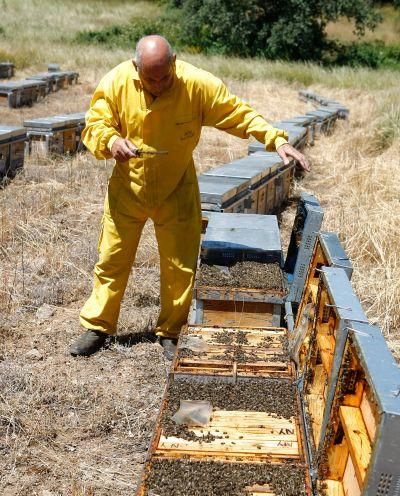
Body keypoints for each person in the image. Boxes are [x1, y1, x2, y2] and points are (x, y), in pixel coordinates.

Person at [70, 35, 310, 359]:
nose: (157, 85)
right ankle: (98, 326)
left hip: (177, 187)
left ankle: (170, 331)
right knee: (111, 258)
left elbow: (238, 112)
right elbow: (94, 124)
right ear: (134, 67)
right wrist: (111, 140)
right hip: (128, 187)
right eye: (149, 79)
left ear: (175, 62)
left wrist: (275, 139)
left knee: (179, 265)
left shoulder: (196, 84)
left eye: (164, 77)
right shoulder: (115, 82)